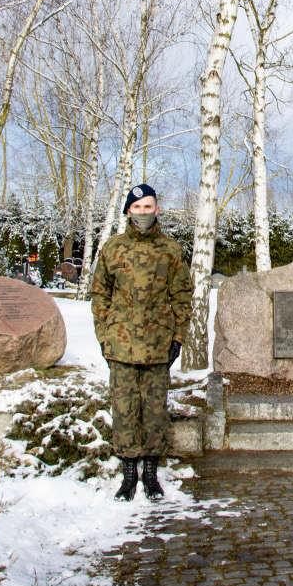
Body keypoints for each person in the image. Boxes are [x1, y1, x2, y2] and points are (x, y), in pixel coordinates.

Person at [91, 183, 192, 501]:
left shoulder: (170, 250)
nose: (143, 212)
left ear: (157, 210)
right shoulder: (112, 249)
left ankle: (150, 473)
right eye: (137, 207)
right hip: (121, 345)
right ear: (128, 211)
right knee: (124, 410)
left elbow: (182, 296)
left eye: (148, 207)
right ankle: (128, 475)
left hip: (157, 345)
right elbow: (99, 295)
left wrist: (178, 337)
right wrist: (104, 336)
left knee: (154, 410)